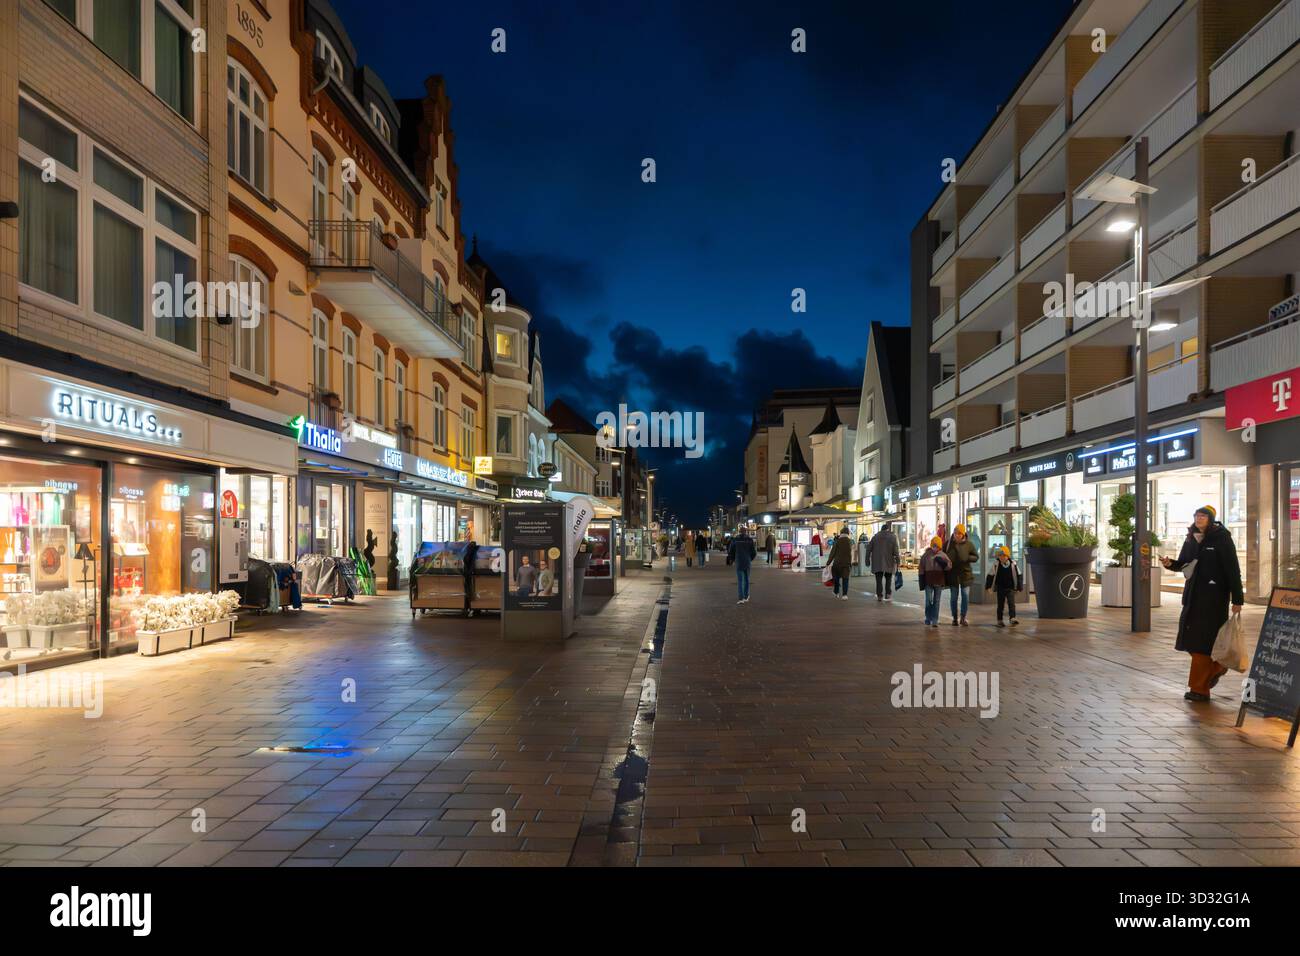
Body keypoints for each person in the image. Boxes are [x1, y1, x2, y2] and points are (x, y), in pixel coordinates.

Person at [1161, 504, 1243, 702]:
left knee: (1202, 644)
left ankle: (1199, 689)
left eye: (1203, 516)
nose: (1199, 519)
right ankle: (1217, 667)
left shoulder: (1222, 538)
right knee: (1190, 642)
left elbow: (1232, 568)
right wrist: (1170, 563)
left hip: (1213, 599)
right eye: (1197, 515)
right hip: (1192, 597)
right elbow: (1184, 564)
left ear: (1211, 519)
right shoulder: (1191, 538)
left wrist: (1237, 598)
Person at [945, 524, 977, 626]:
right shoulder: (948, 544)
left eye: (959, 533)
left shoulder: (969, 544)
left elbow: (976, 557)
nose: (957, 535)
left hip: (965, 574)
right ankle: (954, 618)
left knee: (965, 596)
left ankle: (963, 618)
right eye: (955, 533)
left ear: (963, 534)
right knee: (954, 597)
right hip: (953, 575)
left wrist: (967, 558)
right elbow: (942, 556)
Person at [984, 546, 1022, 627]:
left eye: (1004, 555)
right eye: (1000, 555)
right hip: (1000, 588)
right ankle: (1000, 620)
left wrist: (1019, 587)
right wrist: (988, 587)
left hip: (1010, 588)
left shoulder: (1013, 564)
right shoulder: (996, 564)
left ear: (1008, 556)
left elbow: (1019, 575)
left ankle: (1012, 618)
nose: (1002, 557)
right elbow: (990, 576)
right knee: (1000, 604)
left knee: (1011, 603)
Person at [918, 536, 952, 628]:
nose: (935, 547)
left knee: (936, 601)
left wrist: (943, 563)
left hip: (939, 581)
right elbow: (921, 567)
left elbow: (949, 566)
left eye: (937, 546)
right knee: (928, 600)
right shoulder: (926, 555)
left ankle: (935, 620)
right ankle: (928, 618)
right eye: (934, 545)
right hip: (928, 581)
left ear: (940, 546)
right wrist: (921, 580)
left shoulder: (943, 555)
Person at [868, 523, 901, 602]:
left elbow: (868, 549)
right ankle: (888, 595)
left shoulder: (875, 537)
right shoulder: (893, 537)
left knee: (878, 579)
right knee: (888, 578)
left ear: (881, 529)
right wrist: (898, 560)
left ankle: (879, 595)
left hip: (877, 562)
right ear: (888, 529)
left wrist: (867, 559)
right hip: (889, 561)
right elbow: (896, 550)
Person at [728, 528, 757, 605]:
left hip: (739, 562)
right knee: (747, 580)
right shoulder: (750, 540)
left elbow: (731, 551)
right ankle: (746, 596)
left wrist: (733, 559)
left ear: (739, 532)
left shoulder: (735, 540)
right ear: (746, 532)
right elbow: (754, 552)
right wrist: (750, 559)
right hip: (747, 562)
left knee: (740, 581)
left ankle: (741, 598)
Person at [827, 528, 854, 601]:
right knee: (845, 579)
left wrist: (828, 562)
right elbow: (851, 554)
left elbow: (833, 552)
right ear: (848, 533)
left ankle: (836, 592)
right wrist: (851, 562)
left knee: (836, 578)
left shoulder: (837, 541)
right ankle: (844, 595)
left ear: (841, 533)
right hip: (846, 563)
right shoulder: (850, 541)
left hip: (837, 563)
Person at [462, 537, 479, 617]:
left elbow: (466, 561)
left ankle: (467, 607)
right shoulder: (476, 550)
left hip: (467, 574)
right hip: (471, 574)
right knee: (471, 591)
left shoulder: (468, 551)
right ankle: (473, 607)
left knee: (467, 591)